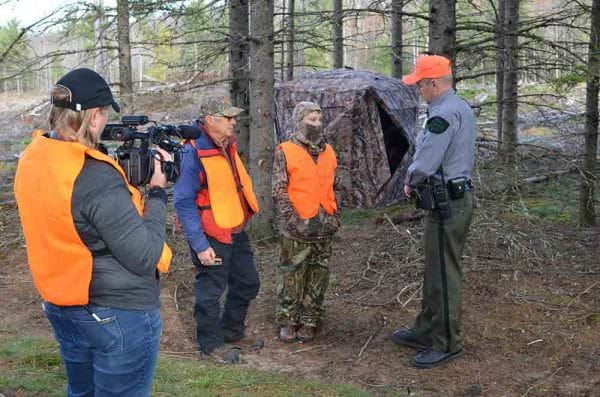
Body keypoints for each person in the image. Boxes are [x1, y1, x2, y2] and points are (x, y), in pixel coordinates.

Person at [13, 68, 172, 396]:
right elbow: (145, 256)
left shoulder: (33, 159)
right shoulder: (95, 176)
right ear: (95, 116)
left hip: (64, 306)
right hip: (117, 313)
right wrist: (156, 192)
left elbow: (75, 211)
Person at [389, 55, 475, 368]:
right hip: (452, 199)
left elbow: (427, 158)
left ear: (435, 83)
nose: (419, 90)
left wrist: (411, 180)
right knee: (435, 271)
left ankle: (447, 342)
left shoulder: (443, 114)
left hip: (448, 201)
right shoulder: (457, 107)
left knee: (444, 273)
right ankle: (427, 329)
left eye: (421, 84)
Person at [174, 97, 260, 363]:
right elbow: (183, 201)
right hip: (211, 233)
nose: (234, 122)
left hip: (234, 228)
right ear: (210, 120)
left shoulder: (226, 145)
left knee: (247, 283)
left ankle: (232, 333)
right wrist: (200, 245)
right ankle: (211, 347)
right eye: (228, 117)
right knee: (209, 293)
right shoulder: (192, 153)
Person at [273, 101, 340, 342]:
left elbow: (336, 185)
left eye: (319, 120)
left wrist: (334, 214)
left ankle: (310, 319)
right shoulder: (285, 150)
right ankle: (288, 320)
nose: (317, 125)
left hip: (324, 225)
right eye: (311, 120)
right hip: (297, 226)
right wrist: (291, 218)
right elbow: (279, 189)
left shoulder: (329, 151)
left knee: (319, 274)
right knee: (292, 274)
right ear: (299, 121)